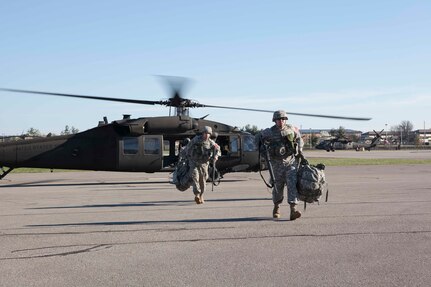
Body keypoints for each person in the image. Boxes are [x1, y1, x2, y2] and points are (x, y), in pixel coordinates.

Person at [256, 110, 304, 220]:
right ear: (275, 120)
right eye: (278, 119)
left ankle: (293, 210)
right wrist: (263, 150)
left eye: (283, 119)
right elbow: (257, 139)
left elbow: (299, 139)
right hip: (276, 165)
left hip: (290, 164)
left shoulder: (291, 129)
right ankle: (276, 207)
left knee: (292, 186)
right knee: (278, 188)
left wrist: (299, 150)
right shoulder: (269, 132)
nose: (281, 121)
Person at [185, 126, 221, 204]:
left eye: (208, 134)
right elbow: (188, 148)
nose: (206, 135)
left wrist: (216, 156)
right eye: (205, 133)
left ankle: (201, 195)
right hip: (194, 162)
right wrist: (188, 157)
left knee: (203, 181)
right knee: (195, 178)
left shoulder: (211, 142)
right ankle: (197, 194)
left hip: (204, 164)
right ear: (202, 133)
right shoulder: (196, 139)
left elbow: (218, 149)